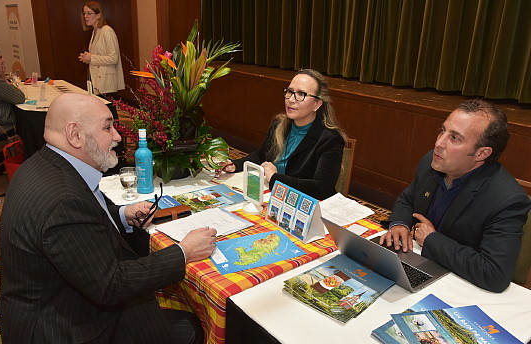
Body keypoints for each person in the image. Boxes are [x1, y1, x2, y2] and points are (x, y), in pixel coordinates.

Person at [0, 93, 216, 343]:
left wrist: (122, 215)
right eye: (107, 127)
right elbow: (111, 285)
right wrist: (184, 252)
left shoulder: (45, 164)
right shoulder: (64, 199)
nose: (117, 136)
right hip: (61, 328)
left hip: (54, 304)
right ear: (75, 135)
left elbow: (76, 227)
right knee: (190, 327)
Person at [379, 99, 531, 292]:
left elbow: (495, 274)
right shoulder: (431, 162)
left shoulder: (506, 200)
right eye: (442, 131)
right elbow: (408, 199)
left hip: (462, 287)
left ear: (481, 153)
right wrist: (399, 223)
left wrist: (432, 240)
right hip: (421, 268)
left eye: (455, 138)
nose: (438, 143)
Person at [222, 69, 346, 200]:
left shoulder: (330, 139)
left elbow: (322, 188)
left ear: (317, 104)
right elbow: (261, 155)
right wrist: (236, 165)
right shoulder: (279, 124)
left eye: (301, 94)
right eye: (290, 92)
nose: (291, 99)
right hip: (271, 196)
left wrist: (275, 178)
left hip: (303, 206)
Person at [78, 1, 125, 96]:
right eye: (84, 13)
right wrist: (87, 58)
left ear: (98, 15)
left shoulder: (107, 31)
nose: (85, 16)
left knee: (108, 109)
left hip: (106, 80)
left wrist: (91, 58)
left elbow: (114, 58)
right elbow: (99, 55)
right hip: (97, 78)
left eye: (89, 13)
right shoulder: (96, 31)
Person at [0, 45, 25, 142]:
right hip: (1, 130)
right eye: (0, 57)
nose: (3, 60)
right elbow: (20, 97)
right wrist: (3, 78)